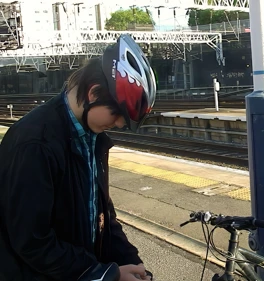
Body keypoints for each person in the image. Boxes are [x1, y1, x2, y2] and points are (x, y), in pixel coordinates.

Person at [0, 34, 156, 281]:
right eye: (117, 114)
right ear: (93, 93)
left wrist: (129, 260)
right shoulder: (34, 144)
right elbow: (32, 241)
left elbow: (102, 215)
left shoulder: (91, 138)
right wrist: (108, 275)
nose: (118, 124)